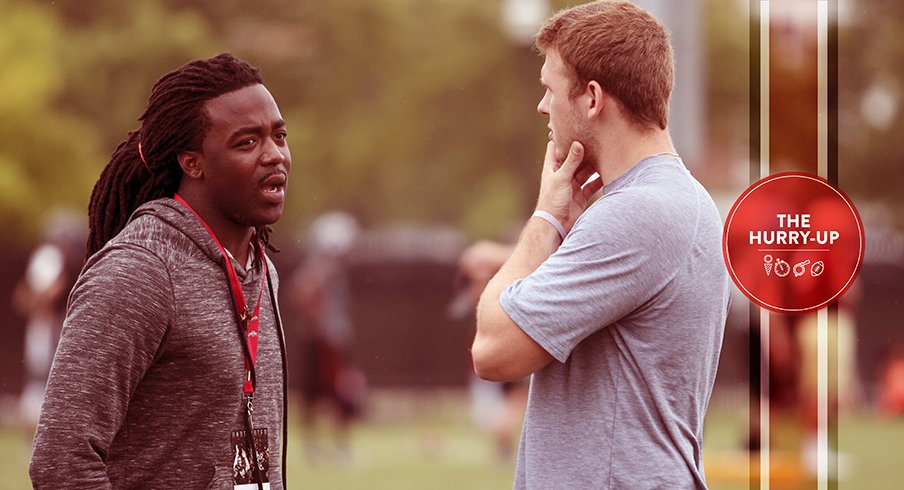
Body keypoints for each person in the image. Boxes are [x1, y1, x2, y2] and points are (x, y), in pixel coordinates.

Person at [470, 2, 731, 489]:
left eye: (550, 89)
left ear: (592, 98)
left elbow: (492, 350)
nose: (543, 106)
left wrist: (546, 218)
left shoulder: (637, 213)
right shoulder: (671, 200)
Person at [29, 53, 292, 490]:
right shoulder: (139, 272)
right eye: (247, 142)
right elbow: (62, 462)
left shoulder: (260, 268)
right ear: (193, 163)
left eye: (279, 136)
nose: (274, 155)